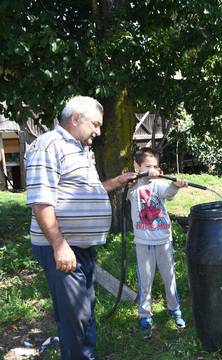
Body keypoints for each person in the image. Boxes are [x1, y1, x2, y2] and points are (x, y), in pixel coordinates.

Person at [25, 95, 137, 360]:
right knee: (74, 315)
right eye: (95, 125)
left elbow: (86, 190)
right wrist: (60, 245)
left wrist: (116, 182)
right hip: (64, 248)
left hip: (82, 249)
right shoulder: (49, 145)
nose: (98, 132)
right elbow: (41, 201)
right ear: (76, 119)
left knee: (85, 310)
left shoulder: (80, 149)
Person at [128, 147, 187, 336]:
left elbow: (167, 193)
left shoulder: (158, 184)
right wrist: (142, 176)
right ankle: (145, 316)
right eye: (147, 166)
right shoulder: (133, 185)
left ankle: (175, 309)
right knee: (145, 281)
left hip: (164, 240)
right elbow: (130, 185)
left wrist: (175, 186)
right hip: (143, 243)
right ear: (137, 166)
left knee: (169, 278)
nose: (153, 169)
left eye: (155, 166)